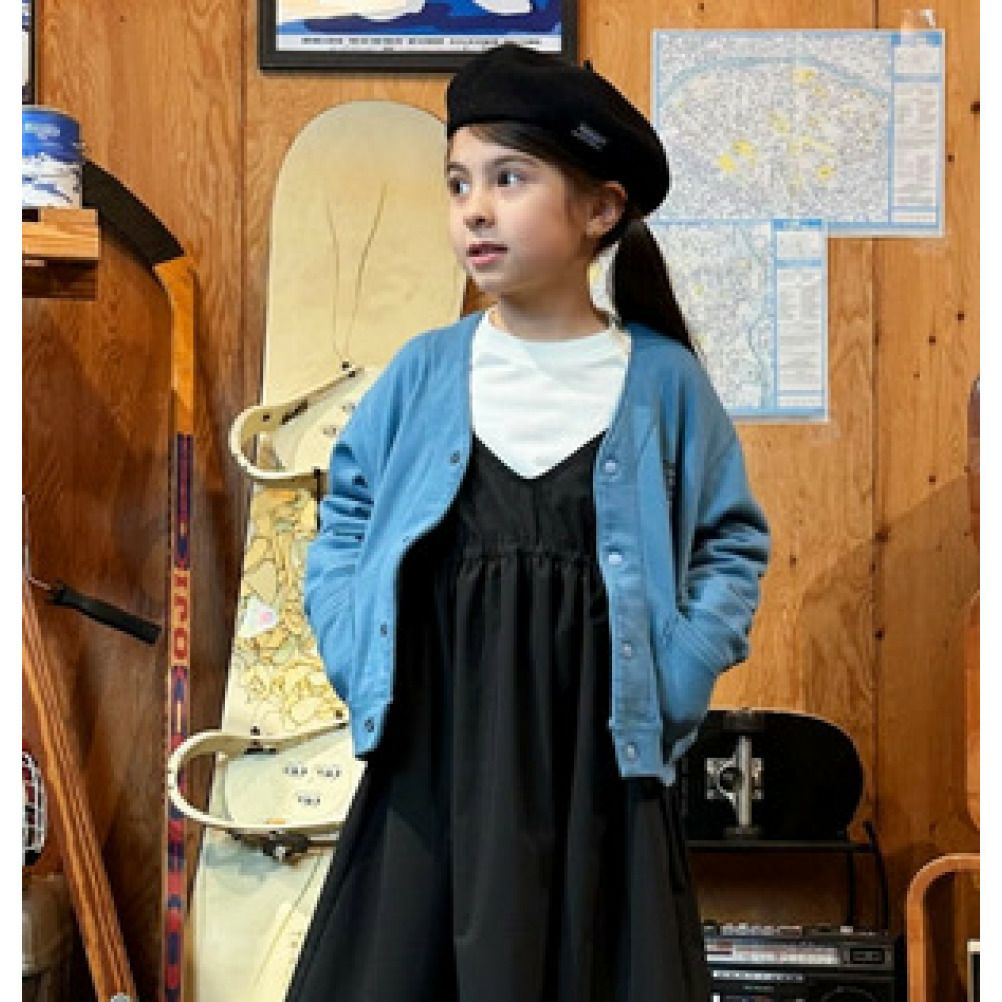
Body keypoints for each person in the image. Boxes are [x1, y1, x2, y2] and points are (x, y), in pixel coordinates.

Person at [287, 43, 771, 1002]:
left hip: (600, 772)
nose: (475, 207)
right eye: (458, 182)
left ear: (600, 210)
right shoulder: (425, 371)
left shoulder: (662, 381)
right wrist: (350, 642)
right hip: (434, 763)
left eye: (509, 179)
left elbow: (731, 543)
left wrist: (680, 673)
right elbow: (344, 515)